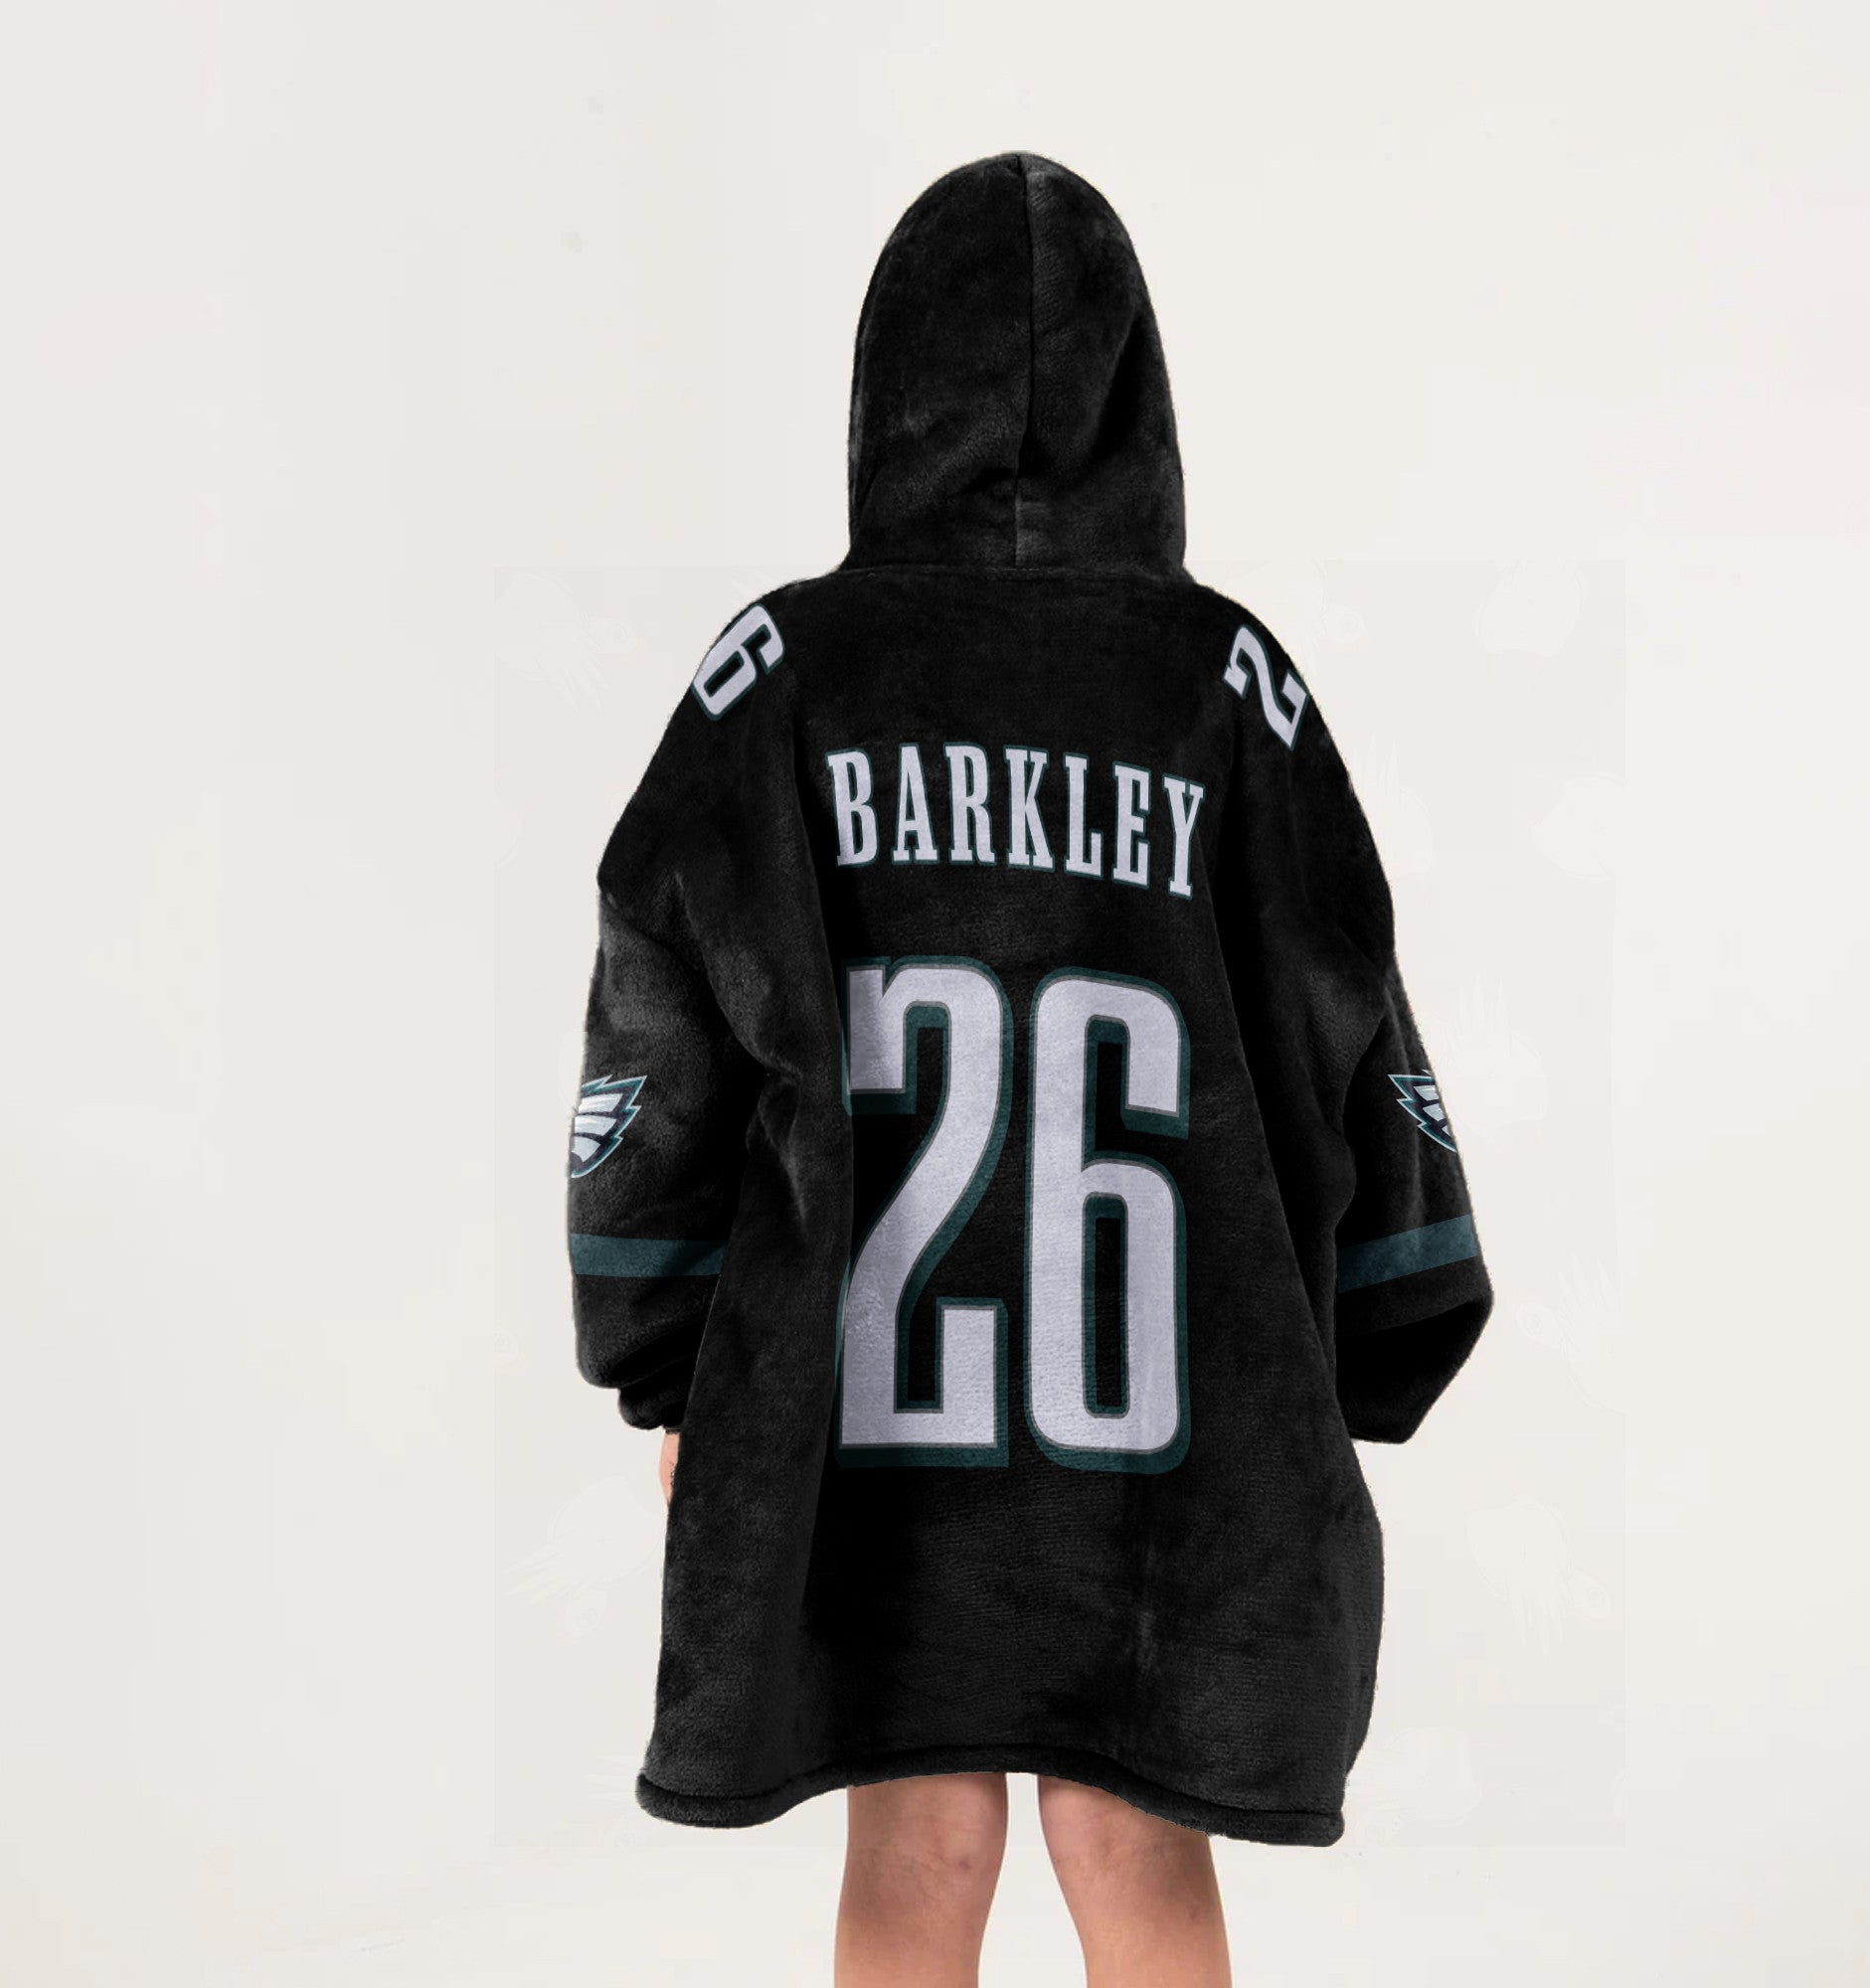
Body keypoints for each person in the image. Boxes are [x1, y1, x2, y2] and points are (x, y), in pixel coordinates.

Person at [569, 153, 1492, 1988]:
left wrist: (668, 1353)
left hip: (868, 1401)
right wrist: (1386, 1329)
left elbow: (656, 1019)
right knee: (1133, 1831)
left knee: (916, 1834)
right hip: (1171, 1403)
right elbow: (1348, 999)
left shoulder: (782, 673)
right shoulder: (1227, 684)